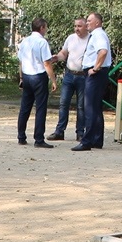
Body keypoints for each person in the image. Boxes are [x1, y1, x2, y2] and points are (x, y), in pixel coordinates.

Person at [73, 12, 112, 151]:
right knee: (95, 107)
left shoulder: (98, 35)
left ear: (97, 23)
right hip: (98, 74)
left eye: (89, 21)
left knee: (89, 107)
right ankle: (96, 140)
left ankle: (87, 141)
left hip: (95, 75)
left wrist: (95, 68)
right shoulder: (96, 35)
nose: (87, 23)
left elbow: (103, 51)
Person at [16, 17, 57, 148]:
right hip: (38, 76)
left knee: (25, 107)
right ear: (41, 28)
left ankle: (21, 136)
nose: (46, 30)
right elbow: (47, 63)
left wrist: (21, 78)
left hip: (27, 76)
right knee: (40, 108)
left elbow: (21, 61)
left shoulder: (25, 41)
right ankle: (38, 139)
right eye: (45, 27)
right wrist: (53, 80)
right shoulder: (42, 42)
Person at [48, 17, 89, 141]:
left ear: (86, 26)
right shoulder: (71, 38)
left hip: (83, 76)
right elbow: (64, 53)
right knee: (63, 103)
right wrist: (56, 57)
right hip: (69, 75)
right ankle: (59, 131)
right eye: (75, 26)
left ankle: (80, 133)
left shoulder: (91, 39)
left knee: (81, 106)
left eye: (79, 26)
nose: (77, 29)